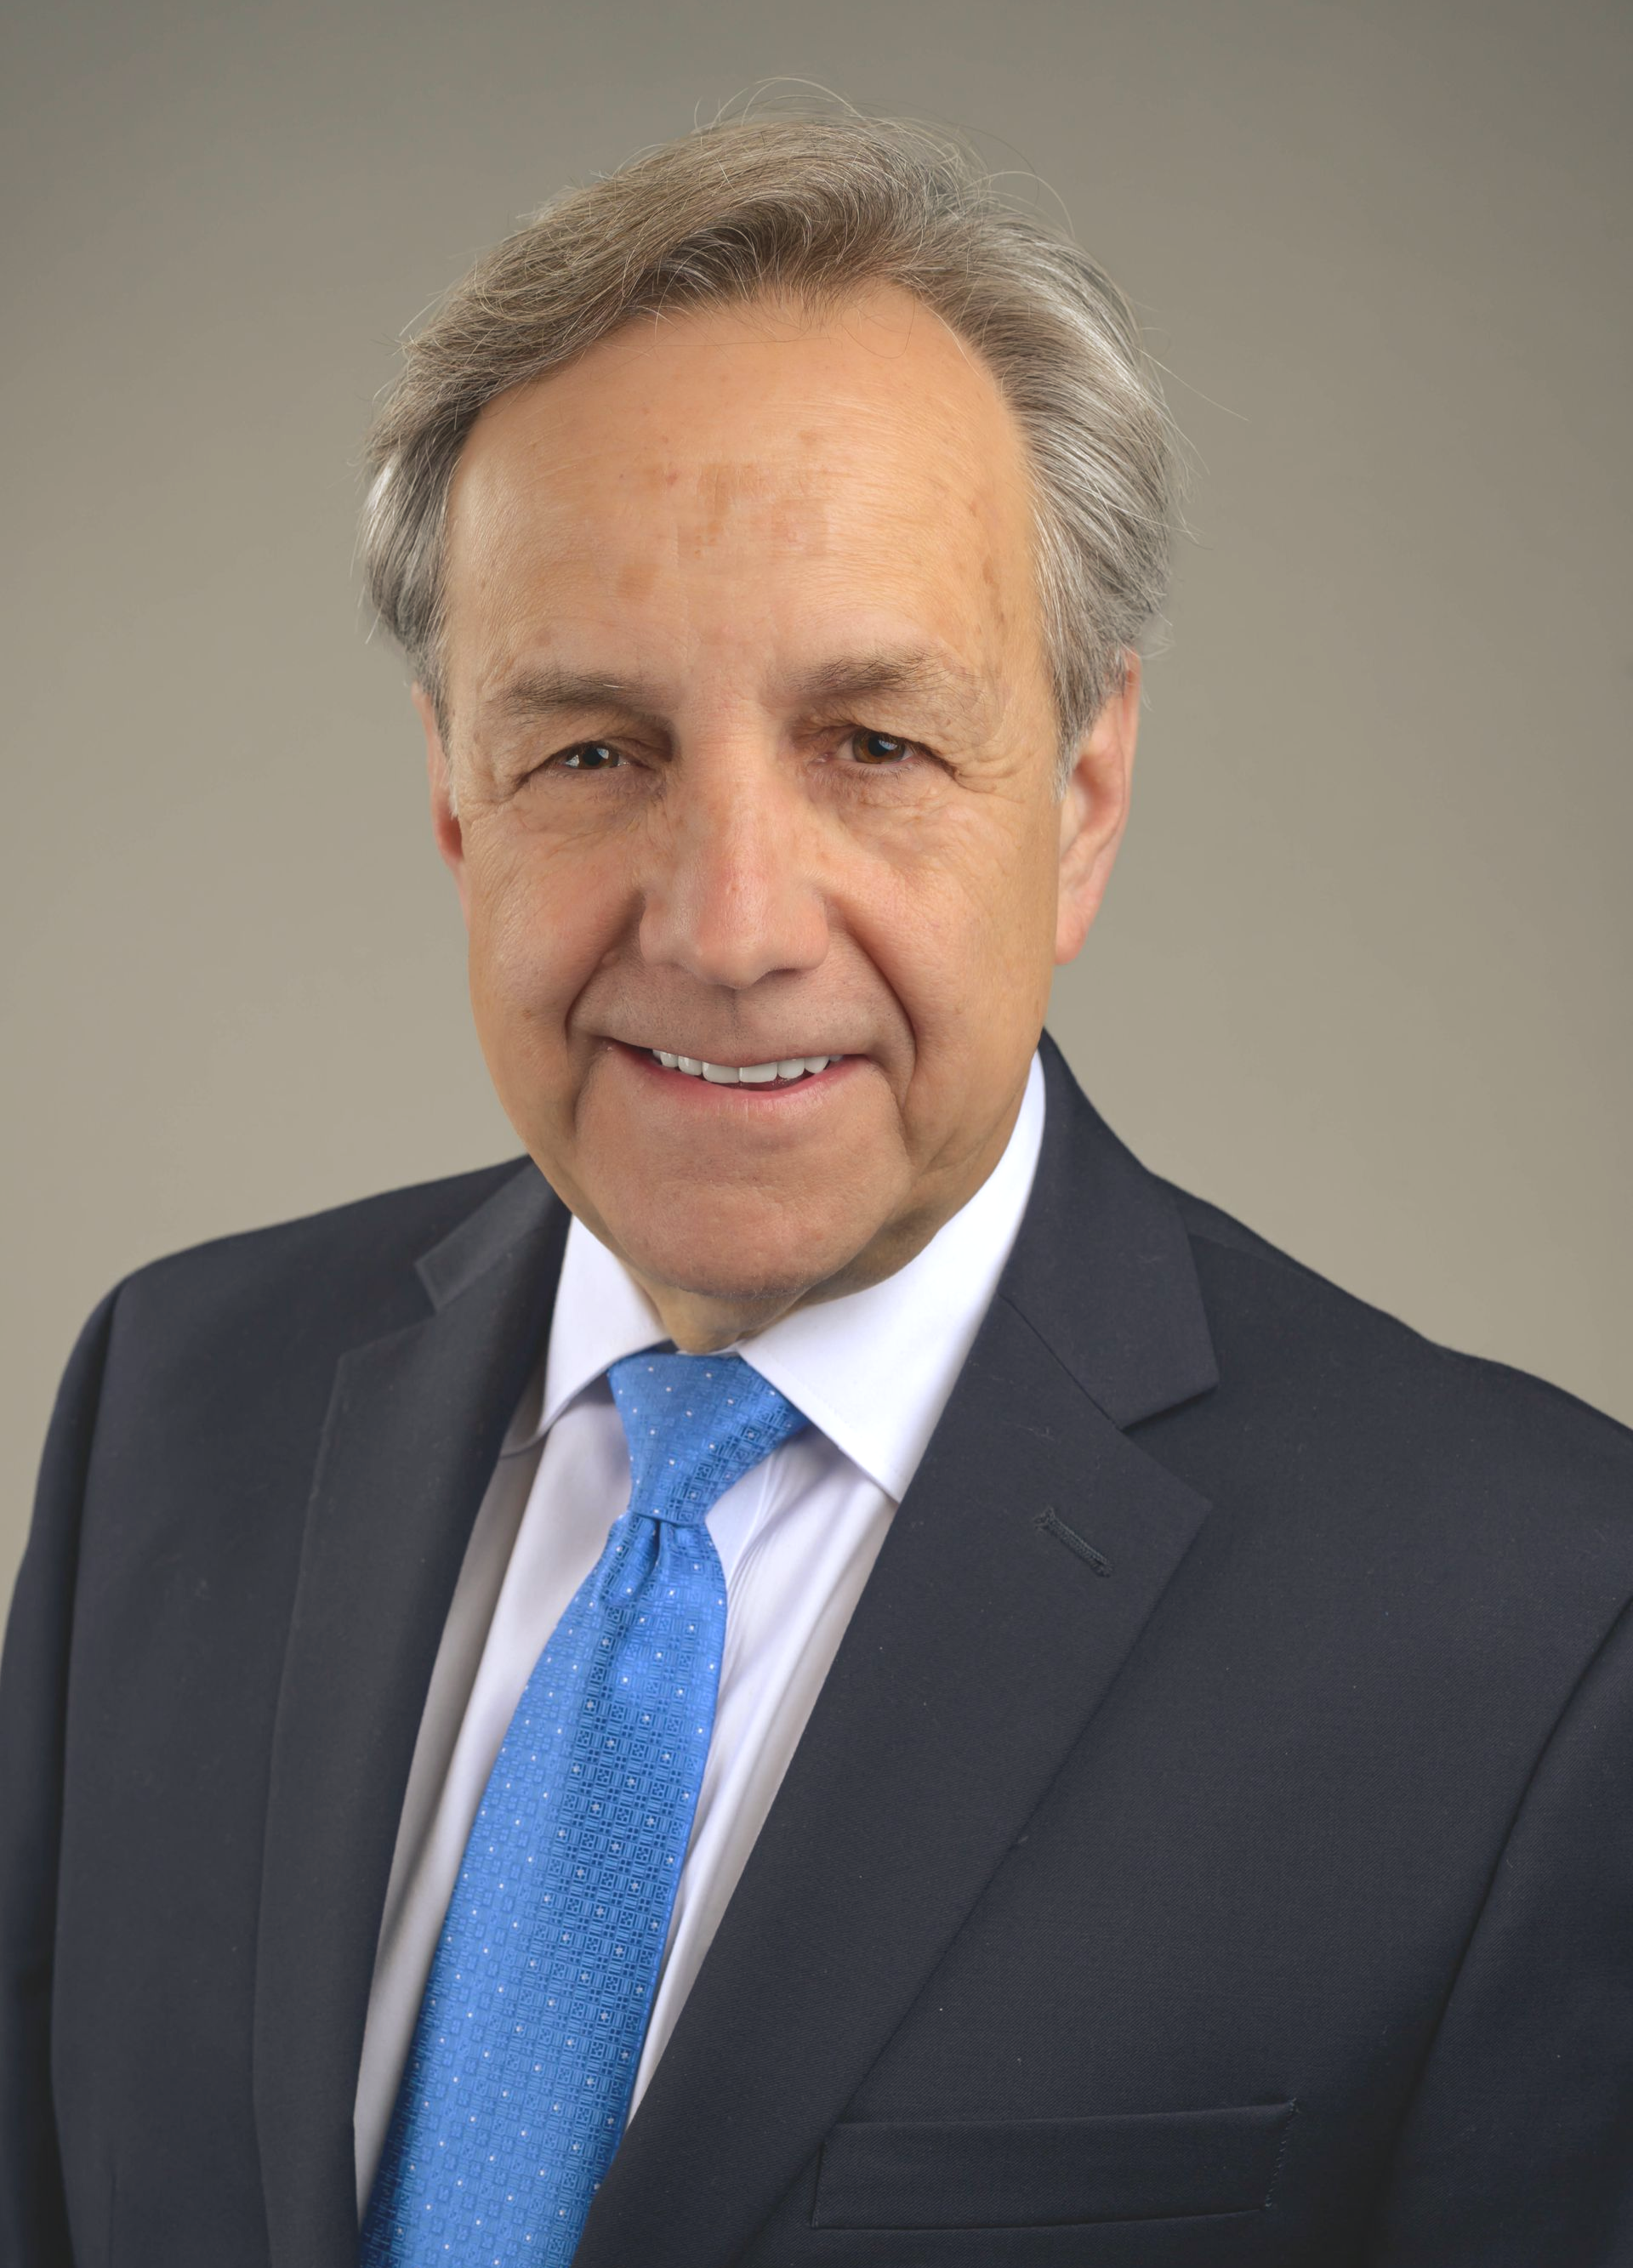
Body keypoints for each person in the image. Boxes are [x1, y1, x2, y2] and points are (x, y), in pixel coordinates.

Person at [3, 109, 1630, 2268]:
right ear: (456, 797)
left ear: (1085, 793)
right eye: (595, 749)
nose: (732, 923)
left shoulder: (1536, 1630)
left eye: (874, 744)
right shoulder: (173, 1411)